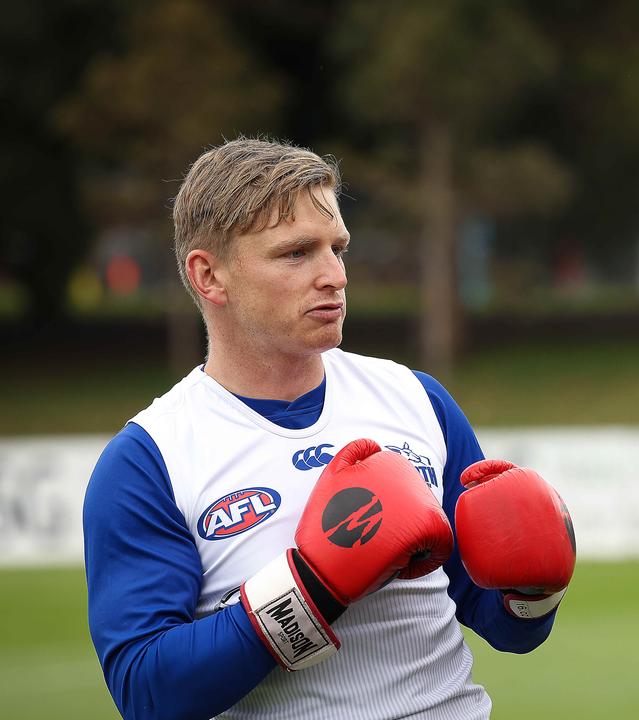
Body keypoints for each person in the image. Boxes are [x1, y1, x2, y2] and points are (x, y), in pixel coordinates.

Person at [83, 138, 577, 720]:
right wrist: (313, 587)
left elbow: (508, 629)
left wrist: (536, 590)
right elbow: (147, 693)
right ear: (209, 275)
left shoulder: (416, 399)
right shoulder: (149, 460)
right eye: (296, 253)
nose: (335, 276)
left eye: (337, 248)